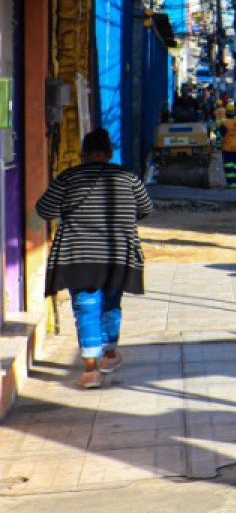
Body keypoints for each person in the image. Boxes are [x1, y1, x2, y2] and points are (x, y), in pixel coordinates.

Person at [37, 129, 153, 390]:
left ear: (83, 154)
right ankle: (110, 355)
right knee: (111, 303)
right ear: (109, 154)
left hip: (80, 256)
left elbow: (44, 209)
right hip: (117, 255)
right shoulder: (128, 177)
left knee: (86, 306)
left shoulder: (68, 178)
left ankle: (90, 370)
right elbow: (146, 208)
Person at [217, 106, 236, 185]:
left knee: (228, 165)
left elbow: (220, 135)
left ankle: (230, 183)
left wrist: (218, 145)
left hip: (227, 148)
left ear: (226, 113)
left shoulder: (225, 123)